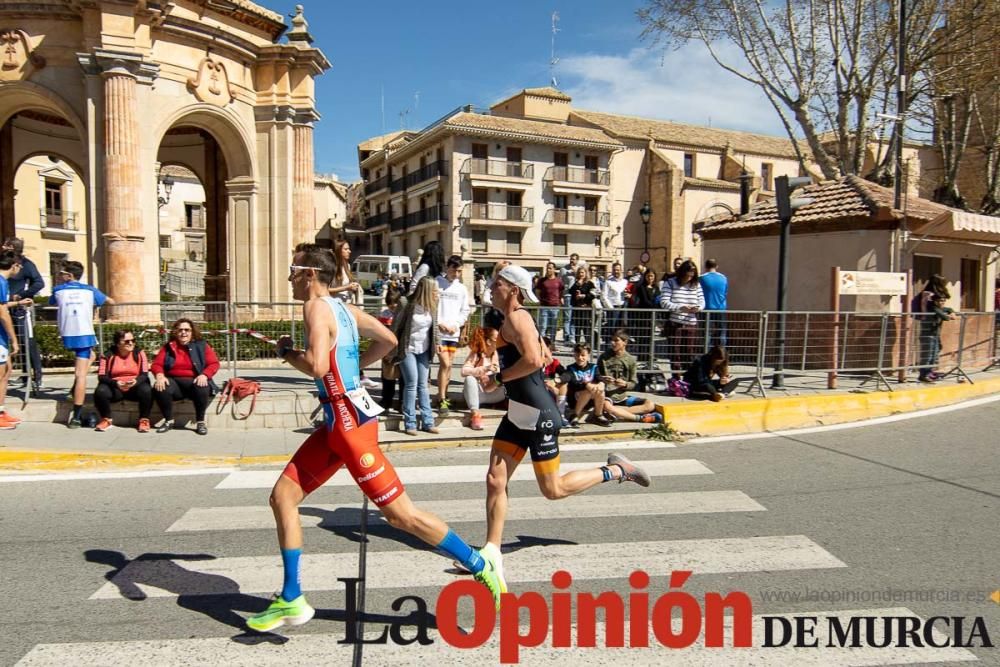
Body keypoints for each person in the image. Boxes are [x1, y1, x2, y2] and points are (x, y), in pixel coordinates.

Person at [245, 244, 503, 632]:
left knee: (402, 517)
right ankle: (291, 597)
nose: (289, 278)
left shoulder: (316, 307)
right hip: (340, 421)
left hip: (348, 428)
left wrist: (286, 352)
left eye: (293, 269)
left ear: (310, 274)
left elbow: (316, 365)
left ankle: (480, 564)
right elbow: (388, 341)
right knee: (282, 496)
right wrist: (350, 370)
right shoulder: (343, 310)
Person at [481, 263, 650, 592]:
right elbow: (542, 356)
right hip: (518, 415)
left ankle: (616, 470)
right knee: (494, 480)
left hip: (538, 417)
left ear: (513, 290)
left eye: (497, 283)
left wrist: (499, 377)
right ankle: (492, 554)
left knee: (553, 490)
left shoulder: (518, 317)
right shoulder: (514, 320)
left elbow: (532, 359)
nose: (491, 287)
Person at [49, 260, 113, 428]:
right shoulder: (90, 290)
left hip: (67, 332)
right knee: (81, 374)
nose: (60, 276)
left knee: (91, 356)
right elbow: (109, 301)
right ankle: (76, 416)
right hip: (83, 333)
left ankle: (73, 390)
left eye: (62, 273)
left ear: (69, 276)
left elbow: (51, 302)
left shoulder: (58, 290)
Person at [151, 318, 220, 435]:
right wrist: (159, 375)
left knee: (202, 387)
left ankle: (200, 422)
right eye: (180, 330)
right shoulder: (168, 346)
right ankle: (169, 421)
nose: (183, 333)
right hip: (174, 382)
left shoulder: (201, 345)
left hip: (195, 381)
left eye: (187, 330)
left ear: (192, 332)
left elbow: (214, 363)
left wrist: (205, 375)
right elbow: (157, 364)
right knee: (161, 387)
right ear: (176, 332)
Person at [390, 276, 439, 435]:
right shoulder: (406, 303)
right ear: (426, 291)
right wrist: (390, 349)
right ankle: (409, 423)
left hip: (424, 349)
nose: (437, 293)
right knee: (412, 383)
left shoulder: (432, 305)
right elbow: (395, 327)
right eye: (434, 290)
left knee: (423, 385)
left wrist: (436, 343)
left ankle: (428, 421)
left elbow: (435, 327)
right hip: (407, 348)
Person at [3, 238, 43, 392]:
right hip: (5, 307)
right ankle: (24, 375)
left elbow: (39, 283)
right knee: (13, 342)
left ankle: (37, 377)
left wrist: (21, 295)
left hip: (20, 310)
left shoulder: (26, 265)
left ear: (13, 248)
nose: (2, 246)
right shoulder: (5, 263)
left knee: (28, 342)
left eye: (6, 245)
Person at [94, 330, 153, 432]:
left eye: (133, 340)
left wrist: (136, 381)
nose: (131, 343)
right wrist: (115, 383)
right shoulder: (107, 355)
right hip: (116, 388)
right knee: (101, 391)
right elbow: (101, 376)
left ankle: (144, 420)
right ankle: (106, 419)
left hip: (134, 388)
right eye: (126, 341)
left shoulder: (139, 353)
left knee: (146, 390)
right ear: (117, 343)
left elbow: (144, 374)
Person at [598, 330, 662, 423]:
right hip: (608, 396)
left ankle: (617, 413)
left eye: (616, 340)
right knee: (607, 406)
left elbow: (634, 383)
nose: (613, 343)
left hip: (622, 397)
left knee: (650, 404)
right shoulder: (604, 357)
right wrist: (603, 379)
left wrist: (625, 384)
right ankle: (640, 418)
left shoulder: (631, 360)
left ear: (625, 342)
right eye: (612, 340)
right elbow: (596, 376)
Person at [435, 255, 470, 417]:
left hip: (453, 333)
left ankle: (443, 394)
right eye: (454, 270)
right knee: (445, 363)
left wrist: (456, 325)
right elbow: (431, 306)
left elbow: (465, 310)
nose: (456, 274)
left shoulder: (461, 288)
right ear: (447, 267)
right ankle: (442, 397)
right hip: (439, 331)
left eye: (459, 271)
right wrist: (439, 323)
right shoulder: (437, 283)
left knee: (448, 366)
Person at [660, 260, 705, 378]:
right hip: (675, 323)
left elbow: (702, 301)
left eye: (692, 275)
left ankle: (688, 378)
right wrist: (680, 308)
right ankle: (676, 379)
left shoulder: (696, 284)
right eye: (687, 275)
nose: (689, 278)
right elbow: (664, 302)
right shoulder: (670, 283)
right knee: (675, 353)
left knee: (689, 352)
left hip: (691, 323)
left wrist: (698, 308)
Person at [462, 325, 505, 430]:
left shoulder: (499, 355)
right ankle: (475, 414)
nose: (499, 342)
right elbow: (464, 371)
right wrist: (484, 369)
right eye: (496, 339)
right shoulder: (476, 354)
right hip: (479, 393)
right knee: (469, 379)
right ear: (489, 342)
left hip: (494, 392)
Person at [562, 342, 610, 427]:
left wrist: (602, 383)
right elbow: (573, 383)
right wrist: (586, 385)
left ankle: (598, 415)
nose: (580, 358)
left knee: (601, 390)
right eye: (577, 355)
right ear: (574, 355)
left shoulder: (593, 367)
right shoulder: (571, 368)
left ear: (588, 355)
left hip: (591, 398)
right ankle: (575, 415)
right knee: (588, 391)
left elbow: (599, 377)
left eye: (583, 355)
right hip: (575, 399)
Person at [0, 251, 22, 429]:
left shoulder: (3, 283)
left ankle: (1, 411)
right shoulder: (0, 281)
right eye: (19, 265)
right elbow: (2, 312)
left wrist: (19, 303)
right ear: (13, 265)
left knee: (7, 372)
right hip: (0, 337)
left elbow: (3, 305)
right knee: (1, 375)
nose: (20, 269)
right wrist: (14, 339)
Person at [918, 293, 957, 382]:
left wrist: (952, 312)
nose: (942, 302)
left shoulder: (940, 308)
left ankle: (929, 372)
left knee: (934, 355)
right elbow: (943, 316)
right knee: (927, 356)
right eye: (940, 301)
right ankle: (923, 375)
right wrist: (949, 316)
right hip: (928, 335)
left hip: (935, 335)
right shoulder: (932, 307)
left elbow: (948, 309)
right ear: (935, 301)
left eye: (943, 301)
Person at [377, 288, 402, 411]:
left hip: (400, 350)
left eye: (395, 303)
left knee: (403, 378)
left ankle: (402, 401)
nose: (393, 306)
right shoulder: (384, 315)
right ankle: (386, 400)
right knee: (387, 377)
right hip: (387, 350)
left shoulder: (403, 314)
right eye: (390, 303)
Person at [700, 258, 728, 347]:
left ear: (705, 266)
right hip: (720, 309)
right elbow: (725, 292)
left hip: (705, 309)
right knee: (721, 332)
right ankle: (721, 351)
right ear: (716, 266)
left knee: (706, 333)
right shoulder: (724, 278)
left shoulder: (701, 278)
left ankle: (706, 352)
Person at [541, 336, 568, 422]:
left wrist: (555, 381)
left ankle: (561, 414)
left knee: (563, 384)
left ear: (551, 352)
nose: (544, 355)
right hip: (538, 392)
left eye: (546, 352)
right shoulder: (533, 362)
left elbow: (567, 375)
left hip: (551, 391)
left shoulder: (554, 362)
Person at [534, 262, 563, 342]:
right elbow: (537, 291)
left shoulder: (558, 281)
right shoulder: (542, 280)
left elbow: (561, 291)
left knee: (553, 327)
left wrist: (560, 300)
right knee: (543, 326)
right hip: (544, 306)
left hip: (555, 307)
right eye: (547, 268)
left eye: (550, 268)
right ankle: (542, 343)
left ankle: (552, 343)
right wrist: (539, 300)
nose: (548, 269)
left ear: (554, 269)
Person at [328, 239, 361, 304]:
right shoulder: (331, 267)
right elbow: (326, 290)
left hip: (347, 303)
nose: (349, 251)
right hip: (335, 304)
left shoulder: (347, 266)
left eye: (349, 249)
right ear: (338, 251)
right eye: (346, 249)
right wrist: (346, 287)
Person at [570, 266, 595, 345]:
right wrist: (577, 284)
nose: (581, 274)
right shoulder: (576, 283)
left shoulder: (589, 283)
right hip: (577, 309)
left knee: (586, 328)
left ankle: (588, 345)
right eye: (580, 272)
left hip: (586, 309)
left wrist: (584, 296)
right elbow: (570, 291)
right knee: (577, 328)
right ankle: (577, 345)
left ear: (585, 273)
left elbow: (593, 295)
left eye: (582, 272)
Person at [560, 253, 582, 344]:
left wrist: (576, 272)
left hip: (576, 296)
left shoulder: (580, 270)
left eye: (574, 259)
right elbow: (560, 284)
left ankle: (572, 337)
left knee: (574, 317)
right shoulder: (563, 269)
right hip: (567, 295)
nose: (572, 260)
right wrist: (561, 296)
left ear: (577, 260)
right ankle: (566, 337)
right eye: (571, 259)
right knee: (567, 317)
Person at [603, 262, 629, 337]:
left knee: (622, 328)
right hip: (613, 308)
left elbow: (628, 292)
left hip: (623, 307)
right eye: (614, 270)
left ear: (621, 270)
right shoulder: (608, 282)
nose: (616, 272)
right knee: (612, 328)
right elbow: (604, 296)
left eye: (618, 270)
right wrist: (610, 308)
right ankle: (610, 345)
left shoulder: (625, 281)